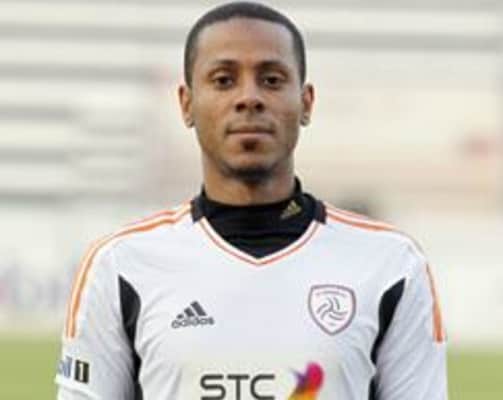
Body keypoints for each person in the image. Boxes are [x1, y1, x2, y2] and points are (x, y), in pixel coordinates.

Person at [55, 2, 448, 399]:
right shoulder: (120, 264)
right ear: (187, 104)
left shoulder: (390, 263)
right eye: (224, 80)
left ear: (306, 102)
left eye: (272, 80)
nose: (249, 98)